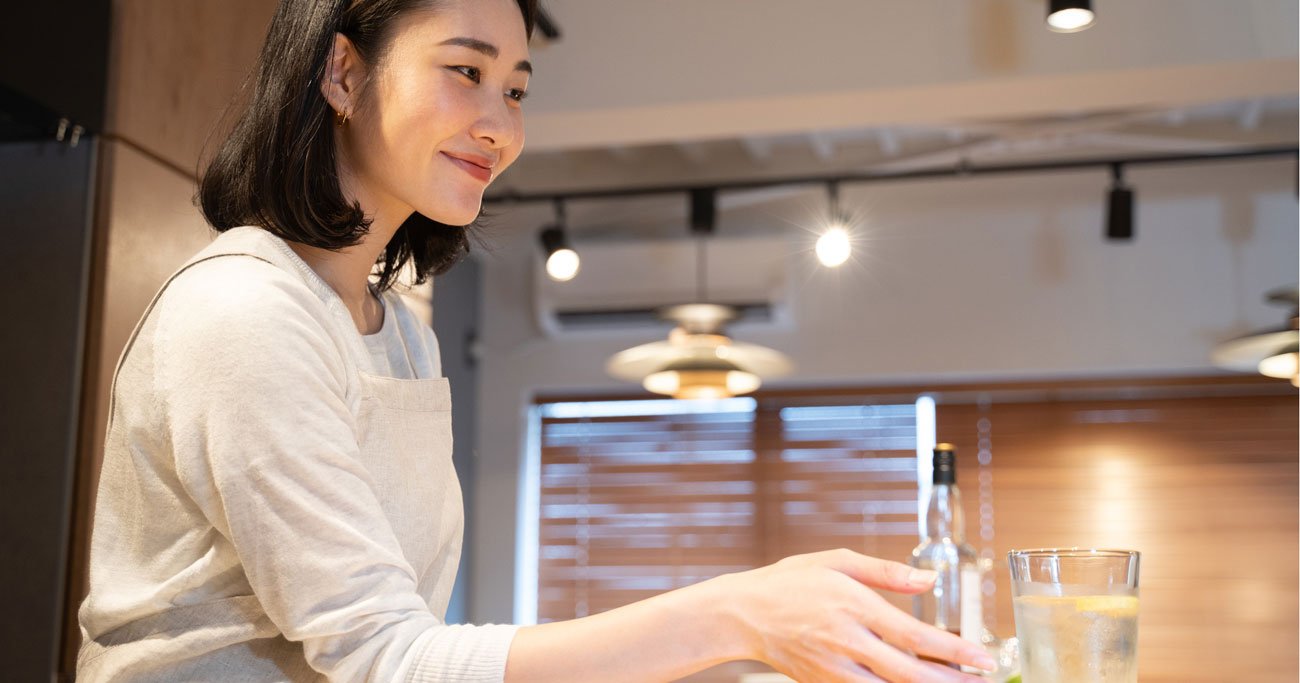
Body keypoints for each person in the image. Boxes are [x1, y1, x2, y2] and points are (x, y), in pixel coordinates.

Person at [76, 0, 997, 681]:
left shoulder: (397, 330)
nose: (500, 125)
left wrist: (751, 632)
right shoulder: (244, 312)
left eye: (515, 89)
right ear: (344, 73)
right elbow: (381, 656)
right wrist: (737, 612)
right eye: (466, 73)